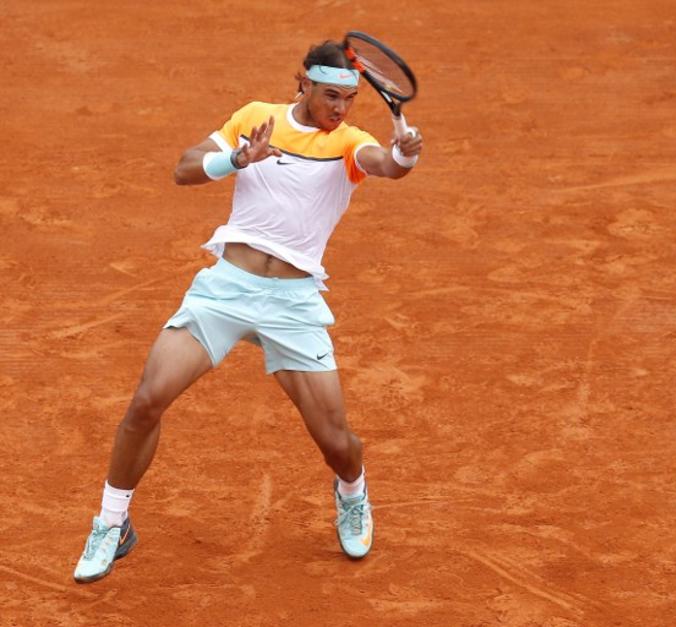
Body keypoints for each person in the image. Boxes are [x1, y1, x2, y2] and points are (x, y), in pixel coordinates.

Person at [73, 40, 423, 583]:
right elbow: (184, 169)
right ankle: (112, 523)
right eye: (332, 96)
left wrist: (406, 152)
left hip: (293, 303)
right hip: (226, 290)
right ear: (302, 84)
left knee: (336, 442)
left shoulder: (350, 142)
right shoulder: (255, 119)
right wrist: (236, 159)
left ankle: (351, 491)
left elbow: (388, 165)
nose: (341, 109)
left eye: (350, 100)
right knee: (147, 401)